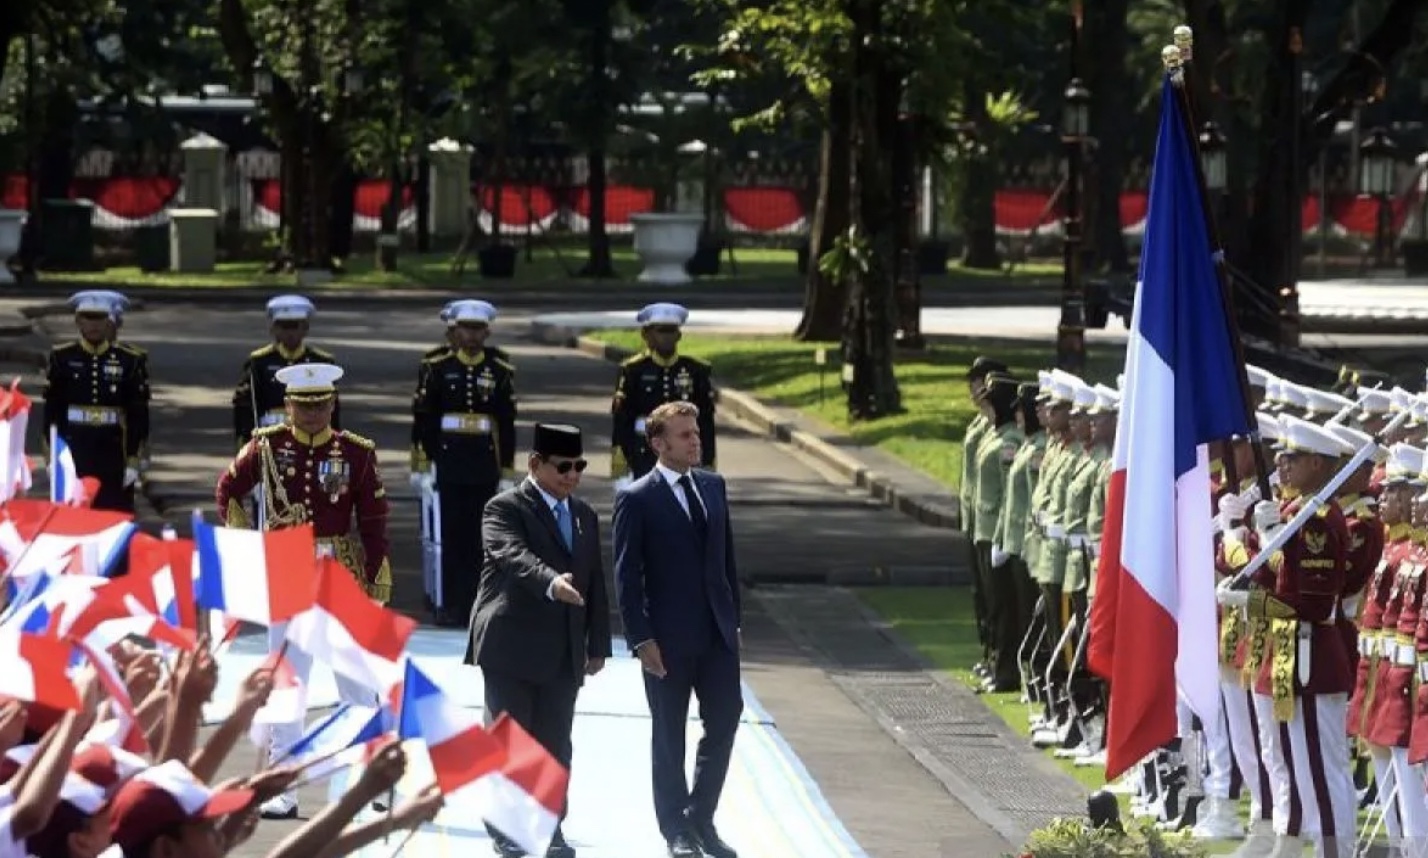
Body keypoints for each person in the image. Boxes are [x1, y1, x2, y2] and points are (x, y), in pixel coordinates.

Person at [214, 361, 390, 819]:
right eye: (303, 405)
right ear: (287, 405)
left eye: (320, 405)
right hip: (287, 567)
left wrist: (377, 574)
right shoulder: (266, 446)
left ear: (333, 404)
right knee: (287, 680)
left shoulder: (356, 453)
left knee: (356, 679)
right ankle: (282, 788)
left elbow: (373, 520)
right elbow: (228, 489)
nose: (312, 414)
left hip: (338, 569)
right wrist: (247, 539)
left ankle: (372, 776)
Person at [466, 423, 612, 858]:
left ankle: (549, 827)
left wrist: (598, 642)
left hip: (563, 647)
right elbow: (513, 555)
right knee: (511, 739)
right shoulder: (504, 508)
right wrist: (551, 582)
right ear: (535, 464)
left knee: (555, 743)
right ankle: (507, 828)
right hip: (511, 642)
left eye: (579, 467)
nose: (572, 476)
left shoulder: (584, 515)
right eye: (563, 467)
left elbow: (594, 579)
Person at [1217, 416, 1357, 858]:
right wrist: (1237, 533)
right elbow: (1261, 571)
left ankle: (1335, 851)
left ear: (1317, 463)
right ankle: (1295, 843)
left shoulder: (1317, 522)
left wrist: (1252, 602)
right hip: (1290, 658)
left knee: (1320, 771)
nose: (1281, 464)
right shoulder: (1296, 515)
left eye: (1292, 457)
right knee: (1294, 765)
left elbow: (1312, 605)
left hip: (1312, 658)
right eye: (1280, 457)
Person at [614, 401, 741, 858]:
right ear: (658, 443)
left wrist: (734, 621)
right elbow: (626, 577)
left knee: (725, 718)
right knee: (669, 733)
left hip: (717, 633)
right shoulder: (637, 498)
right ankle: (676, 829)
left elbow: (726, 562)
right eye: (684, 435)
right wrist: (641, 638)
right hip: (666, 639)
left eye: (697, 432)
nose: (695, 441)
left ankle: (700, 816)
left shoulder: (713, 486)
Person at [412, 299, 518, 627]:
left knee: (481, 538)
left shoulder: (499, 370)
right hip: (448, 462)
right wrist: (422, 465)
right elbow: (424, 421)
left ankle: (477, 601)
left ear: (487, 332)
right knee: (449, 536)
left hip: (483, 464)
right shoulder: (437, 367)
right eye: (465, 329)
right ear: (454, 331)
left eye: (477, 329)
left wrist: (506, 470)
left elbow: (506, 424)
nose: (471, 335)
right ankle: (449, 602)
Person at [41, 291, 150, 513]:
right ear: (78, 321)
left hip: (112, 451)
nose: (94, 325)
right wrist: (51, 456)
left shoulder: (129, 360)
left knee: (113, 512)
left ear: (109, 321)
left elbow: (137, 415)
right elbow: (52, 412)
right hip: (73, 449)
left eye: (99, 318)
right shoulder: (62, 357)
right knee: (72, 514)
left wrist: (133, 459)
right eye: (88, 318)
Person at [609, 303, 717, 483]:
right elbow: (622, 420)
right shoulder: (633, 370)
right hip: (645, 451)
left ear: (679, 335)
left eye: (671, 331)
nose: (666, 337)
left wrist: (708, 460)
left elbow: (706, 419)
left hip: (684, 452)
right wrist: (621, 458)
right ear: (647, 335)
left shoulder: (696, 370)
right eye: (661, 331)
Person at [971, 372, 1023, 693]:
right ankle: (994, 662)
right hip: (984, 527)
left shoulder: (1009, 441)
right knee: (991, 603)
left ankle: (1006, 670)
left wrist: (1002, 536)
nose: (986, 409)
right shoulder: (995, 435)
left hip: (996, 531)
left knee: (1004, 607)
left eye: (991, 404)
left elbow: (1008, 495)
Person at [232, 295, 340, 448]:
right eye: (283, 326)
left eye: (294, 326)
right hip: (269, 434)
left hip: (313, 431)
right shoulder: (259, 361)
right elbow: (246, 404)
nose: (289, 333)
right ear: (273, 329)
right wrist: (245, 439)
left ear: (305, 328)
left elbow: (331, 405)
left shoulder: (321, 361)